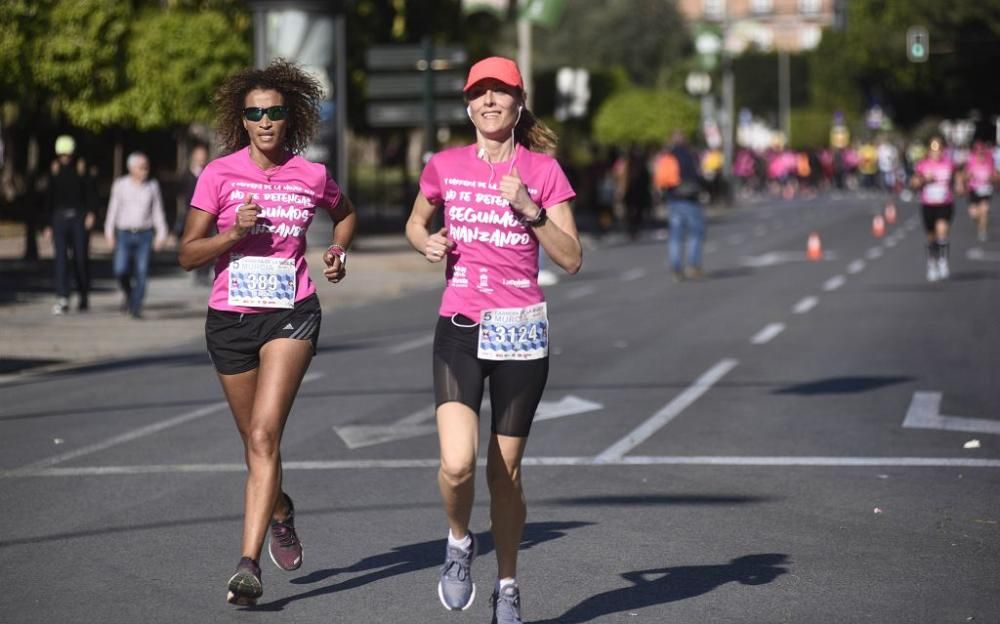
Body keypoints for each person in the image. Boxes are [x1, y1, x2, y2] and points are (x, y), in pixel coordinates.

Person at [405, 56, 581, 624]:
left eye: (499, 92)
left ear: (517, 102)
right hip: (459, 325)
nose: (489, 101)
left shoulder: (544, 171)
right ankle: (459, 540)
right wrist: (425, 243)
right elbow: (416, 221)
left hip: (521, 333)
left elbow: (572, 258)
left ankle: (508, 584)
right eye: (479, 93)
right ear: (468, 104)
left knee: (504, 473)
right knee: (457, 464)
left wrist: (530, 210)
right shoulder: (445, 165)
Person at [177, 60, 357, 606]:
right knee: (252, 444)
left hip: (291, 313)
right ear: (243, 119)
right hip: (230, 320)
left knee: (263, 436)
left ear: (291, 117)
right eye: (254, 113)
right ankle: (280, 508)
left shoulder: (311, 174)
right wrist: (233, 232)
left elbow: (345, 214)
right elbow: (187, 254)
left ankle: (248, 565)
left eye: (274, 112)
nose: (264, 121)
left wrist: (337, 249)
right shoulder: (219, 174)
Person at [104, 151, 169, 318]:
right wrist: (109, 233)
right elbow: (112, 210)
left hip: (144, 235)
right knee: (120, 270)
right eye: (141, 167)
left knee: (142, 271)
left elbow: (158, 211)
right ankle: (129, 293)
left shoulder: (152, 186)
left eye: (146, 167)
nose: (145, 171)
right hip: (124, 234)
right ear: (131, 168)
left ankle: (135, 306)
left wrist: (161, 234)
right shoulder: (120, 185)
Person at [44, 135, 97, 314]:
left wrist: (91, 213)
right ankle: (62, 296)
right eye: (62, 154)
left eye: (68, 154)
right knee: (61, 259)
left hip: (78, 218)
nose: (65, 157)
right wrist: (47, 224)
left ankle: (83, 294)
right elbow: (48, 199)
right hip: (59, 219)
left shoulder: (82, 170)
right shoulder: (54, 171)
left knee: (80, 258)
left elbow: (91, 193)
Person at [911, 136, 960, 281]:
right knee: (931, 237)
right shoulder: (922, 165)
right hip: (928, 204)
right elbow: (914, 183)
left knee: (942, 232)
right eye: (933, 149)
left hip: (945, 203)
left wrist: (959, 184)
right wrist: (924, 180)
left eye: (938, 149)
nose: (936, 152)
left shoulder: (949, 164)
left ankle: (943, 262)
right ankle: (932, 263)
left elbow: (957, 178)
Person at [661, 130, 704, 281]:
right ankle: (692, 265)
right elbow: (699, 175)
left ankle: (675, 267)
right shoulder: (691, 155)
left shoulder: (668, 156)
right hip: (690, 198)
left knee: (675, 235)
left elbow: (661, 180)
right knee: (694, 233)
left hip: (674, 198)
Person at [176, 142, 213, 284]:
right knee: (193, 241)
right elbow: (180, 193)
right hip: (191, 212)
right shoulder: (187, 174)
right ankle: (197, 269)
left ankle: (205, 270)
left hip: (208, 213)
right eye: (199, 155)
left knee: (207, 241)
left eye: (203, 155)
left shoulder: (209, 172)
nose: (201, 157)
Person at [963, 141, 996, 242]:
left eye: (982, 152)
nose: (980, 154)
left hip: (985, 191)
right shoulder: (970, 161)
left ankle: (982, 231)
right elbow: (964, 176)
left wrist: (991, 178)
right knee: (974, 214)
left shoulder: (989, 161)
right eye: (978, 152)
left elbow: (995, 176)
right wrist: (968, 176)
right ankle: (980, 224)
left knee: (984, 211)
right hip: (973, 190)